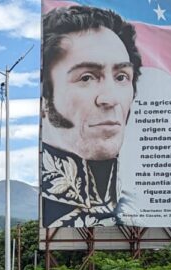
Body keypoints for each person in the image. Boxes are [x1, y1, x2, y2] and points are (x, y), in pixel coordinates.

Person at [40, 5, 142, 228]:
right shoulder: (46, 212)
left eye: (122, 77)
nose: (109, 98)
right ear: (45, 99)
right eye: (86, 78)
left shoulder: (141, 210)